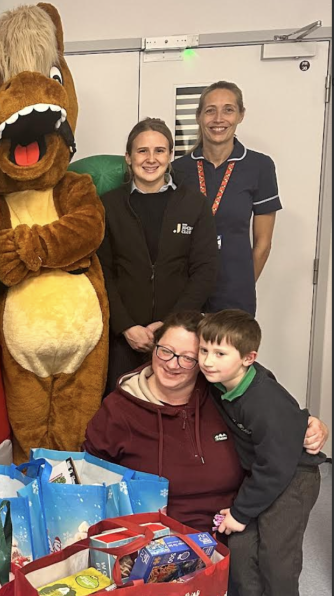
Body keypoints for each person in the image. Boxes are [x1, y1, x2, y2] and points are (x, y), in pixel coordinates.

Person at [83, 311, 328, 533]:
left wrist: (308, 424)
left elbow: (271, 406)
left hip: (231, 522)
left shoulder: (227, 394)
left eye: (188, 358)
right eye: (165, 350)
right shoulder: (119, 408)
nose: (171, 363)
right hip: (154, 532)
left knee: (258, 574)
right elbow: (91, 476)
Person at [198, 309, 325, 596]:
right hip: (260, 474)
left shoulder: (263, 401)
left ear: (248, 358)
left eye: (220, 354)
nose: (206, 361)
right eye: (203, 350)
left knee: (276, 557)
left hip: (295, 475)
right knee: (241, 550)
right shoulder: (220, 382)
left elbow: (276, 466)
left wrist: (241, 512)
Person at [98, 118, 218, 395]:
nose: (151, 159)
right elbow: (102, 271)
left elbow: (205, 270)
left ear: (170, 156)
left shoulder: (194, 204)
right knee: (121, 413)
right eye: (142, 151)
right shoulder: (108, 205)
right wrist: (126, 326)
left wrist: (171, 324)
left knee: (177, 413)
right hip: (124, 338)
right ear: (128, 157)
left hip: (180, 336)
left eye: (160, 151)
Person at [173, 81, 280, 315]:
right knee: (185, 352)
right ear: (199, 116)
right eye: (210, 110)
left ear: (241, 115)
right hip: (184, 290)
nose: (218, 118)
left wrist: (243, 285)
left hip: (235, 292)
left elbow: (263, 242)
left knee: (227, 352)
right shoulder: (177, 170)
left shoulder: (259, 166)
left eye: (228, 109)